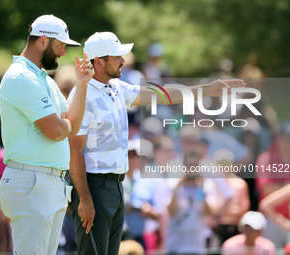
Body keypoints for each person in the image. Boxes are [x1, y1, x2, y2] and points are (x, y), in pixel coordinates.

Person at [67, 31, 246, 255]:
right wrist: (84, 199)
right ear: (99, 62)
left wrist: (206, 90)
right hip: (93, 187)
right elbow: (74, 150)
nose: (123, 60)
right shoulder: (82, 95)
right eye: (117, 57)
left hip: (115, 186)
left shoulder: (117, 88)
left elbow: (161, 94)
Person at [0, 14, 94, 255]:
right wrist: (66, 126)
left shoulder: (43, 79)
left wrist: (82, 85)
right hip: (31, 182)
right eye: (60, 46)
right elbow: (56, 130)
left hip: (47, 183)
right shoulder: (22, 77)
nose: (62, 53)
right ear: (42, 41)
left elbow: (71, 123)